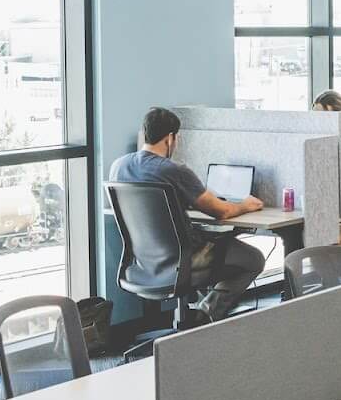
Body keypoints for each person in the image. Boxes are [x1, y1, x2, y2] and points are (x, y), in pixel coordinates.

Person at [108, 107, 267, 321]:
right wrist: (246, 205)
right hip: (183, 259)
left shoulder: (119, 166)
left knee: (217, 247)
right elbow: (221, 211)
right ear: (170, 139)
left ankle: (198, 314)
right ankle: (206, 313)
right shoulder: (173, 170)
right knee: (254, 258)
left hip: (144, 263)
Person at [311, 90, 341, 247]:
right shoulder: (311, 136)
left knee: (337, 231)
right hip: (316, 199)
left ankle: (332, 269)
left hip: (340, 201)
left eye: (322, 114)